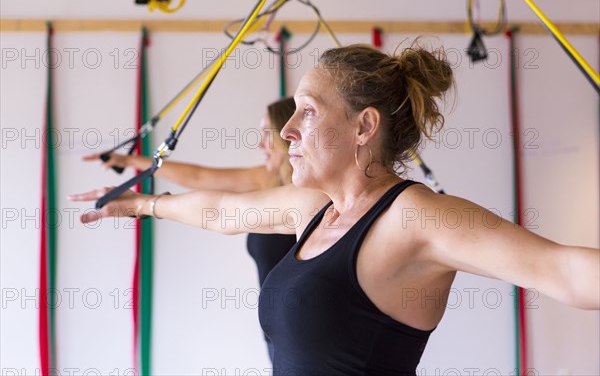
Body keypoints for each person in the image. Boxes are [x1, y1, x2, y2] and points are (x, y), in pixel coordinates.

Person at [71, 43, 600, 375]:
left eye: (307, 111)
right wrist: (141, 204)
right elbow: (222, 212)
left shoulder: (414, 217)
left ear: (363, 126)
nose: (287, 131)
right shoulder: (313, 211)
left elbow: (567, 272)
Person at [83, 97, 297, 360]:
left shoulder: (308, 195)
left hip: (306, 330)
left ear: (290, 135)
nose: (260, 143)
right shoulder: (269, 179)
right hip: (276, 329)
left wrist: (142, 204)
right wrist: (131, 162)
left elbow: (220, 213)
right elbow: (200, 177)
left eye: (268, 133)